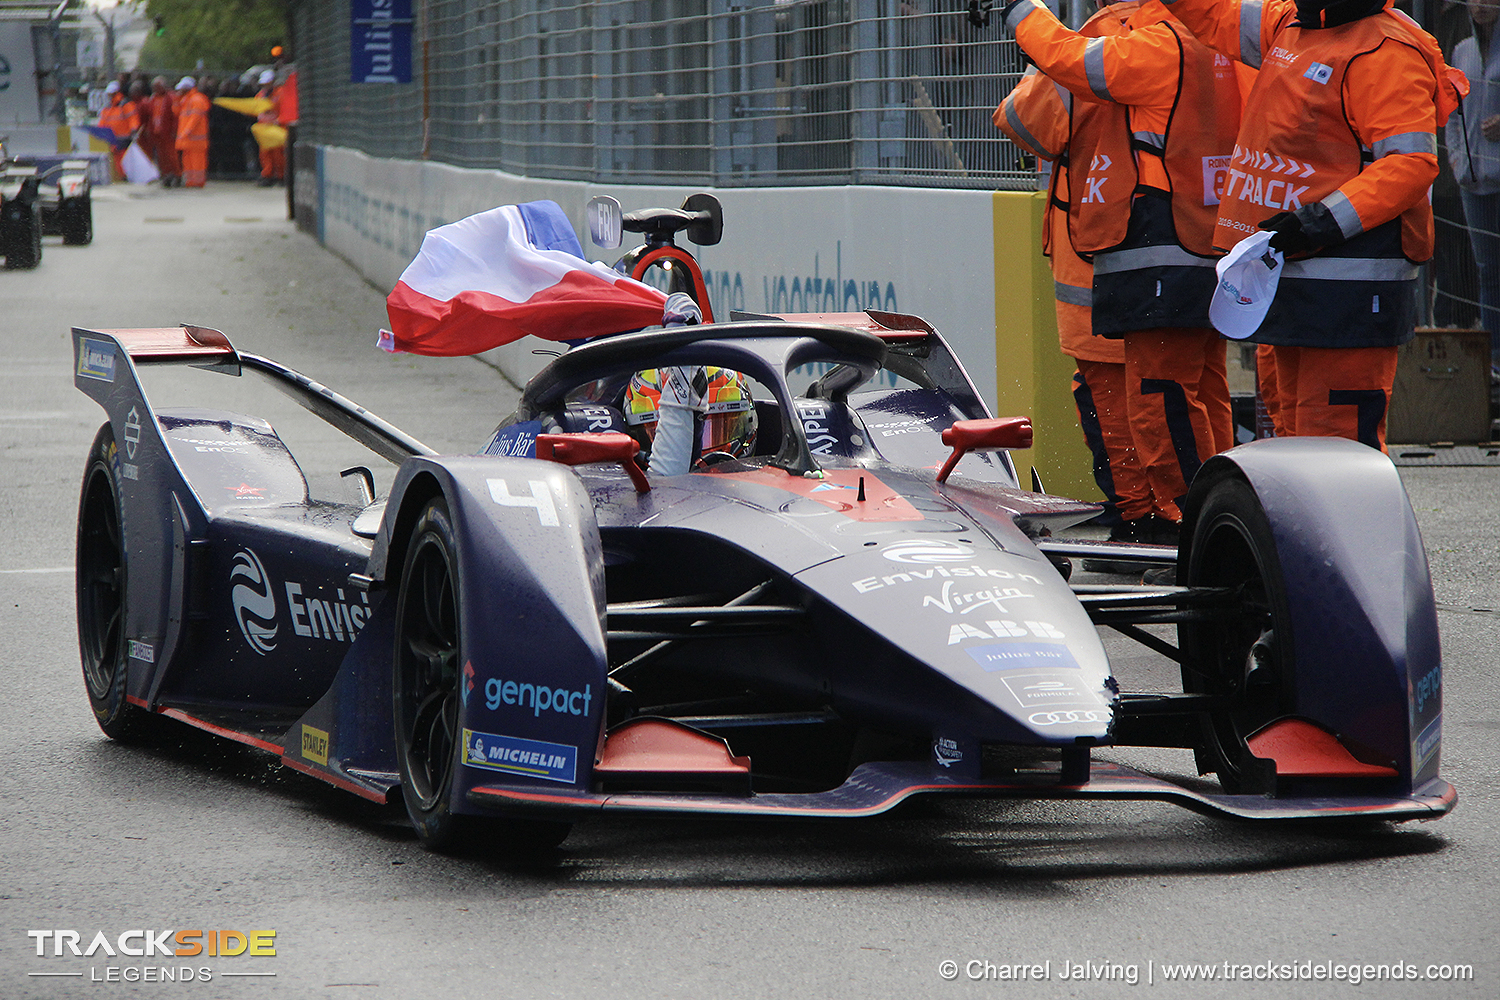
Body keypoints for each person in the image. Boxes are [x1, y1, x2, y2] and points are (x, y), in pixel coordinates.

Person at [1158, 0, 1467, 450]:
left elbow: (1410, 165)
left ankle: (1345, 525)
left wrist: (1319, 221)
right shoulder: (1293, 21)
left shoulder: (1385, 49)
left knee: (1333, 445)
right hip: (1294, 271)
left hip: (1348, 286)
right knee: (1295, 439)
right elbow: (1208, 11)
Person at [999, 0, 1239, 531]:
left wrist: (1037, 31)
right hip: (1212, 239)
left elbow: (1025, 123)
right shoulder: (1228, 31)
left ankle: (1155, 518)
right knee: (1201, 390)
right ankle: (1220, 518)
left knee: (1131, 393)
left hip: (1124, 246)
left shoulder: (1117, 38)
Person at [993, 12, 1159, 572]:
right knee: (1183, 392)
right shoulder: (1215, 34)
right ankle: (1185, 520)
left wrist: (1060, 48)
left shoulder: (1102, 36)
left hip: (1100, 255)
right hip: (1195, 254)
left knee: (1113, 394)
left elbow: (1022, 121)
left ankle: (1142, 524)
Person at [1448, 0, 1500, 369]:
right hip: (1472, 180)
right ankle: (1494, 358)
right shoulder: (1460, 51)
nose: (1481, 6)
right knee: (1487, 270)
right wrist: (1456, 159)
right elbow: (1451, 113)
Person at [96, 80, 140, 181]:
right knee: (117, 159)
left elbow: (133, 118)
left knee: (124, 159)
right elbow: (103, 122)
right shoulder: (108, 107)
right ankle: (123, 176)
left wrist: (134, 129)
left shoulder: (125, 104)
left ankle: (127, 176)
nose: (110, 96)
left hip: (124, 137)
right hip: (113, 138)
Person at [174, 77, 211, 188]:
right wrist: (177, 100)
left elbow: (195, 118)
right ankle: (190, 182)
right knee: (188, 162)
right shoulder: (186, 100)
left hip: (195, 139)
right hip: (188, 140)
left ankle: (198, 182)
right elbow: (176, 113)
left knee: (197, 163)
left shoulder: (196, 99)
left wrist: (187, 131)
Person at [142, 77, 179, 187]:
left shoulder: (171, 97)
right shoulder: (153, 99)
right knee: (161, 156)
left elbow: (175, 116)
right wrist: (149, 129)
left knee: (172, 155)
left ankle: (177, 175)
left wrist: (174, 130)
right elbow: (149, 116)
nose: (156, 89)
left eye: (158, 87)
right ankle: (165, 175)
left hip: (168, 132)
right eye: (154, 87)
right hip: (157, 133)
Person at [255, 69, 286, 187]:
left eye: (267, 83)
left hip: (277, 128)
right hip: (264, 129)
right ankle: (267, 175)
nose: (265, 86)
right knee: (265, 154)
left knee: (279, 154)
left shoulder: (280, 93)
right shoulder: (260, 96)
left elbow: (284, 110)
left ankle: (281, 176)